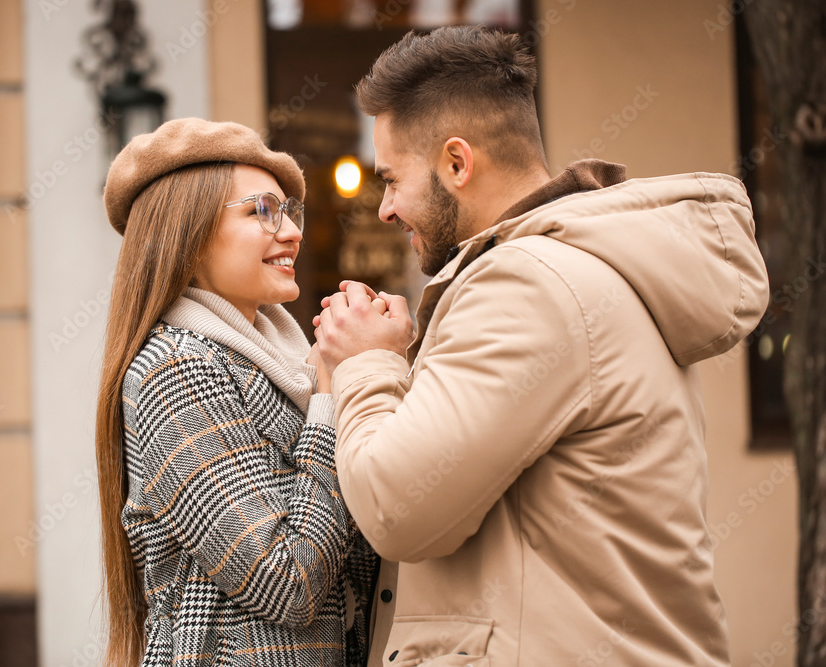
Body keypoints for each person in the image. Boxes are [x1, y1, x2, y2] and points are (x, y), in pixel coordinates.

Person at [313, 26, 770, 666]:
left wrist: (365, 361)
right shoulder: (573, 271)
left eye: (391, 178)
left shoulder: (525, 285)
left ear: (456, 163)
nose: (385, 208)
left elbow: (399, 509)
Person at [95, 118, 376, 667]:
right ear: (188, 234)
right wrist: (330, 398)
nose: (292, 231)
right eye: (261, 211)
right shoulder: (175, 370)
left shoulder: (283, 362)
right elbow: (285, 582)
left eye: (288, 211)